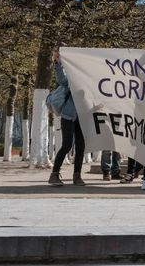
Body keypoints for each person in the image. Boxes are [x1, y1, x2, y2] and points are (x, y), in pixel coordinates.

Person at [49, 51, 86, 187]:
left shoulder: (92, 83)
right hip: (69, 116)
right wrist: (58, 63)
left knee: (81, 147)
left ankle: (77, 176)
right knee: (67, 145)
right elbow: (61, 80)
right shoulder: (73, 80)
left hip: (83, 118)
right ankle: (54, 175)